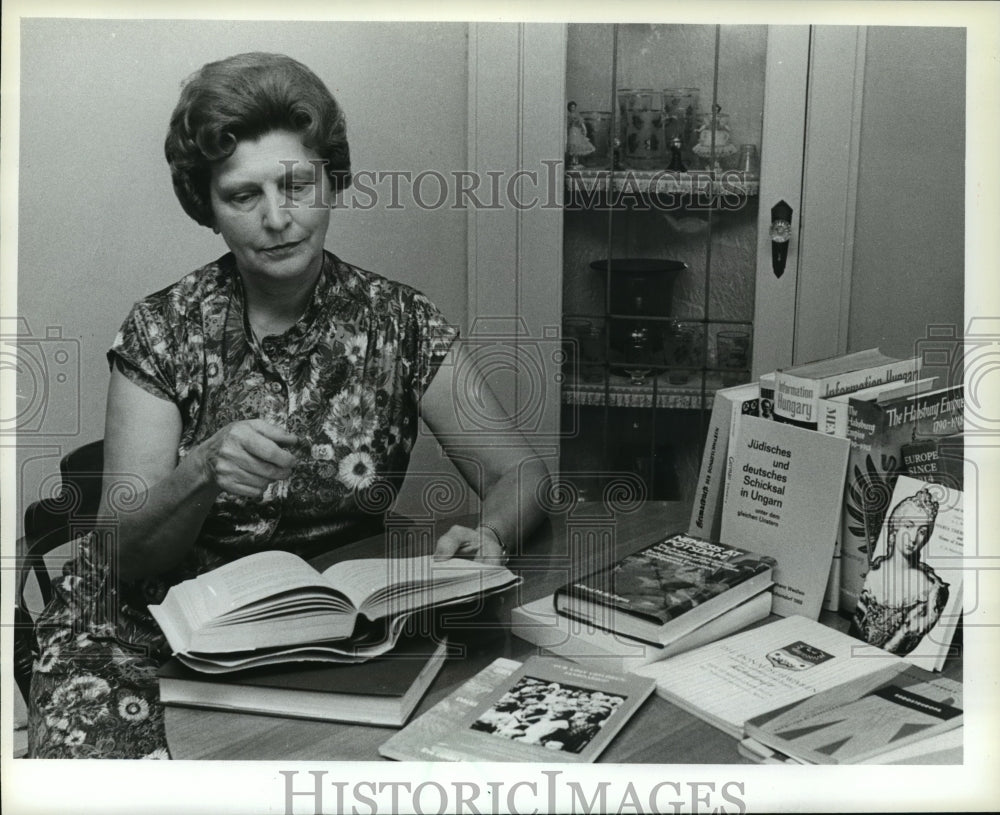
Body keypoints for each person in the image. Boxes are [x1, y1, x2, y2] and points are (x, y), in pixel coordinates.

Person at [27, 52, 547, 759]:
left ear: (331, 180)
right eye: (243, 195)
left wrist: (492, 533)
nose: (278, 218)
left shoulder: (401, 321)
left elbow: (522, 472)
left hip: (311, 635)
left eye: (297, 184)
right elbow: (123, 552)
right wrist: (202, 469)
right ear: (208, 208)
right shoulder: (162, 328)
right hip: (136, 635)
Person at [850, 486, 949, 656]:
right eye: (908, 526)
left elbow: (901, 646)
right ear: (895, 528)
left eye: (922, 531)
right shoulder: (870, 573)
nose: (913, 538)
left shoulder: (931, 590)